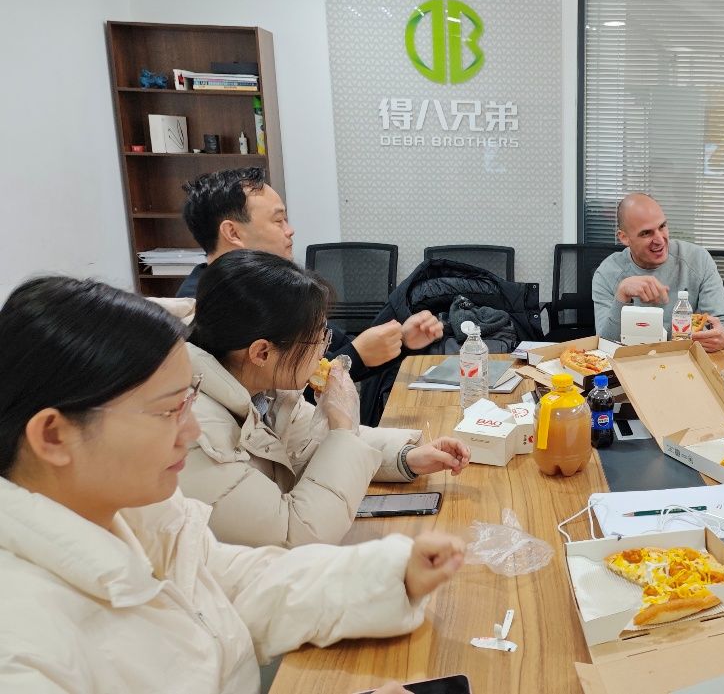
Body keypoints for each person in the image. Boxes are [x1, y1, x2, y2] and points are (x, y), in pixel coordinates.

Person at [0, 276, 464, 693]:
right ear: (54, 436)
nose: (191, 430)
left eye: (188, 403)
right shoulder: (21, 647)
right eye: (168, 411)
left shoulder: (138, 514)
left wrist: (391, 575)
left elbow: (244, 584)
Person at [181, 250, 470, 548]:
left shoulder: (266, 389)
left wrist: (406, 457)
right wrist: (343, 425)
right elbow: (295, 535)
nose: (323, 350)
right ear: (262, 352)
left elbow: (312, 442)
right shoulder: (196, 435)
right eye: (317, 338)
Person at [177, 167, 444, 382]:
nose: (290, 230)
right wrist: (356, 355)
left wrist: (401, 339)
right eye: (278, 220)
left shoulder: (274, 287)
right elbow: (278, 396)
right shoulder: (205, 312)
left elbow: (337, 347)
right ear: (233, 232)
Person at [592, 193, 724, 351]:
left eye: (662, 226)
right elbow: (603, 344)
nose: (659, 240)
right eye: (646, 233)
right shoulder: (607, 273)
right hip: (633, 360)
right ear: (624, 238)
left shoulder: (698, 259)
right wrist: (622, 295)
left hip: (687, 358)